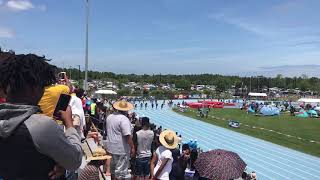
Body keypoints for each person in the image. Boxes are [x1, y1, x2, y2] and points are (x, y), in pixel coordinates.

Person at [0, 53, 82, 179]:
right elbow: (74, 160)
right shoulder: (41, 126)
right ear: (34, 87)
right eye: (43, 86)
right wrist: (69, 124)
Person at [105, 100, 135, 180]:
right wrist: (132, 147)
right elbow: (127, 136)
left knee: (113, 171)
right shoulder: (124, 119)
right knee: (120, 174)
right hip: (121, 150)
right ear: (126, 109)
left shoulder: (109, 117)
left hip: (110, 148)